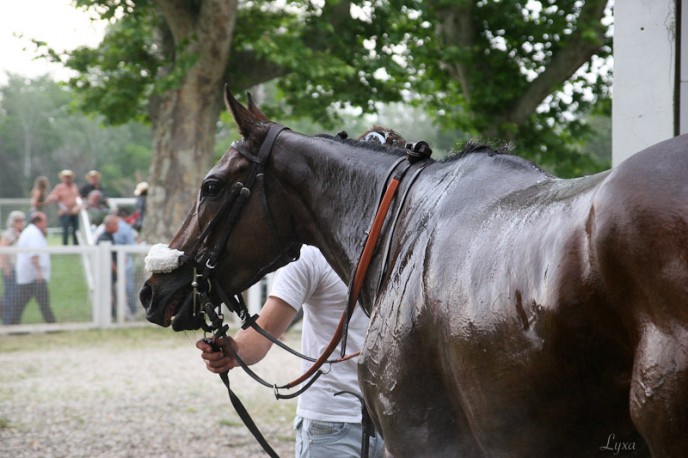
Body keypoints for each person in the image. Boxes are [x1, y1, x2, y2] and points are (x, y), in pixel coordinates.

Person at [197, 246, 385, 458]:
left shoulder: (399, 238)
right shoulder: (311, 254)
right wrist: (234, 351)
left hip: (398, 419)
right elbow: (266, 328)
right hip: (331, 423)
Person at [6, 212, 56, 325]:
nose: (46, 224)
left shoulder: (33, 232)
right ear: (38, 222)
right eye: (44, 221)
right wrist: (39, 272)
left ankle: (13, 324)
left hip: (30, 275)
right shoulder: (33, 233)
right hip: (33, 276)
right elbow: (34, 253)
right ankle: (52, 324)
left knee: (23, 302)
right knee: (41, 301)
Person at [0, 211, 26, 324]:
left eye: (21, 220)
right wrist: (6, 268)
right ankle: (8, 322)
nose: (20, 223)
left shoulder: (21, 234)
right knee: (11, 296)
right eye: (17, 221)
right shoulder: (9, 234)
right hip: (10, 269)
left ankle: (13, 321)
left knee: (15, 296)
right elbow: (3, 251)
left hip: (19, 269)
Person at [113, 209, 139, 319]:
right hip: (125, 263)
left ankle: (115, 314)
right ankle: (133, 313)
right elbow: (132, 247)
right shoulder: (126, 228)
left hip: (111, 263)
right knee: (129, 289)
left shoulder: (106, 226)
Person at [46, 169, 81, 245]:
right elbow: (53, 196)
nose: (67, 179)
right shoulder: (59, 187)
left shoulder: (74, 186)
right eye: (65, 177)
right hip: (64, 212)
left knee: (75, 230)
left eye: (69, 177)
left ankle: (76, 245)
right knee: (65, 230)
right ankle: (65, 246)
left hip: (74, 212)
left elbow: (77, 197)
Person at [97, 215, 120, 317]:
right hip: (106, 275)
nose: (117, 226)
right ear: (108, 225)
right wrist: (118, 271)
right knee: (109, 296)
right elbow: (108, 259)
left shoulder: (109, 237)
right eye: (115, 224)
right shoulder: (104, 238)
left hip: (110, 275)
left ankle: (112, 316)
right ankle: (109, 316)